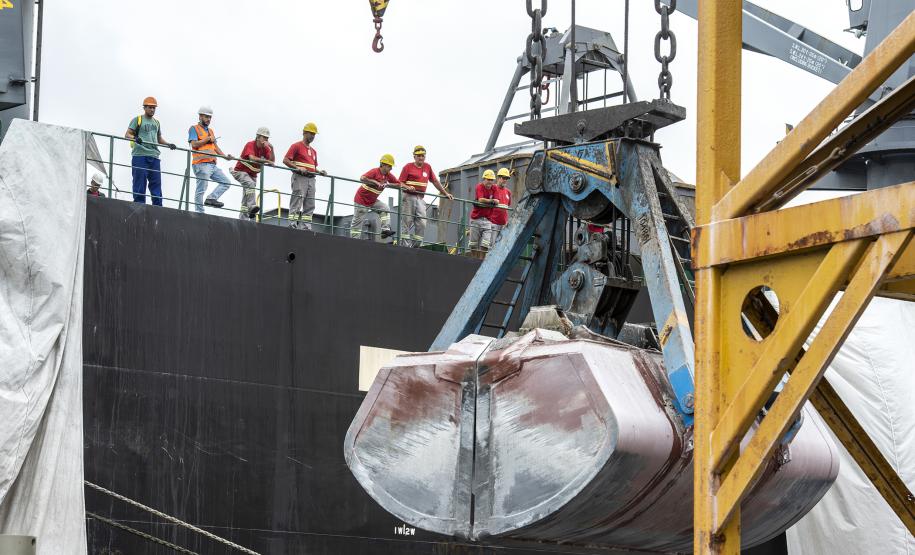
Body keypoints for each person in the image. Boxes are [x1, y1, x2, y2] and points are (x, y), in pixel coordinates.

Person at [396, 145, 453, 247]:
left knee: (422, 223)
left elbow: (435, 181)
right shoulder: (407, 167)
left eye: (423, 156)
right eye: (419, 156)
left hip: (420, 199)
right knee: (406, 222)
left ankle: (415, 246)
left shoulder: (427, 167)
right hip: (408, 197)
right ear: (414, 156)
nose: (421, 158)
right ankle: (404, 246)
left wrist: (445, 193)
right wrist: (408, 187)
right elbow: (400, 183)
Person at [124, 96, 176, 206]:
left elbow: (159, 139)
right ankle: (139, 206)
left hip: (154, 156)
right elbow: (127, 134)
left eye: (154, 108)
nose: (152, 109)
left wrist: (168, 144)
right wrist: (135, 138)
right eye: (150, 107)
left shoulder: (157, 122)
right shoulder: (138, 119)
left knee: (156, 184)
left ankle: (157, 207)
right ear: (144, 108)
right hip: (140, 155)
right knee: (139, 183)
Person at [188, 106, 234, 213]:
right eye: (206, 117)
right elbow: (194, 144)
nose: (208, 119)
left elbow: (216, 147)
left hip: (212, 164)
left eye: (210, 117)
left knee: (226, 182)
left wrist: (225, 157)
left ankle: (211, 198)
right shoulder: (194, 128)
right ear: (200, 116)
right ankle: (199, 212)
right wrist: (208, 139)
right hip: (201, 164)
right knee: (201, 189)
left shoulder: (211, 131)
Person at [283, 122, 326, 230]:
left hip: (312, 179)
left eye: (314, 134)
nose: (312, 136)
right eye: (311, 133)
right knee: (297, 201)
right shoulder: (296, 146)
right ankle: (292, 224)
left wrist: (320, 171)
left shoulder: (313, 151)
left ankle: (306, 227)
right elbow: (285, 160)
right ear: (304, 133)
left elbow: (312, 167)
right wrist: (297, 168)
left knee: (310, 204)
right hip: (300, 177)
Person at [351, 154, 403, 241]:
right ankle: (354, 240)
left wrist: (389, 184)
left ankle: (385, 231)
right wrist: (374, 181)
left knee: (385, 208)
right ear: (382, 164)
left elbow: (399, 184)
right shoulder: (374, 171)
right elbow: (362, 178)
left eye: (391, 166)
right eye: (389, 166)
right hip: (361, 200)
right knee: (358, 222)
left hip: (372, 200)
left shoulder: (388, 176)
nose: (391, 168)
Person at [230, 127, 275, 220]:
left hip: (252, 175)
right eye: (264, 137)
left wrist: (272, 148)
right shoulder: (250, 144)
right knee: (250, 185)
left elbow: (272, 160)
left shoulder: (266, 148)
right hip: (240, 172)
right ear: (258, 137)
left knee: (247, 196)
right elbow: (252, 158)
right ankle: (252, 207)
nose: (266, 140)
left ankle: (243, 219)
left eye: (267, 138)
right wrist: (267, 161)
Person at [469, 170, 499, 251]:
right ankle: (473, 260)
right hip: (476, 219)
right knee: (473, 244)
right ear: (484, 179)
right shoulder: (479, 186)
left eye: (491, 180)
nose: (490, 182)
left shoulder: (494, 187)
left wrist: (491, 201)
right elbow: (481, 199)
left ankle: (481, 261)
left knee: (486, 244)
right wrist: (491, 201)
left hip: (488, 220)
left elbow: (497, 201)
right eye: (488, 179)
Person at [489, 167, 513, 243]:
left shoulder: (508, 192)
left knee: (501, 246)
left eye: (507, 178)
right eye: (503, 178)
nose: (505, 180)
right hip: (493, 223)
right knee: (491, 245)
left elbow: (508, 205)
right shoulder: (492, 188)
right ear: (498, 178)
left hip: (503, 224)